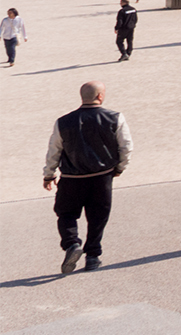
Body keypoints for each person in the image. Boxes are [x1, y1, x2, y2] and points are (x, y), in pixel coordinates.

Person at [43, 80, 133, 274]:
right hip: (102, 177)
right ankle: (93, 257)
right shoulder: (115, 118)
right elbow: (126, 146)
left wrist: (49, 174)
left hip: (71, 178)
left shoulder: (63, 121)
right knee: (98, 217)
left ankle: (72, 244)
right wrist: (119, 168)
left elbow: (54, 150)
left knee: (66, 214)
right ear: (100, 96)